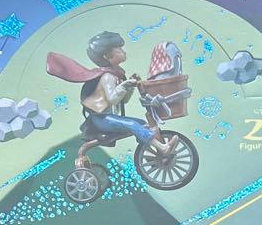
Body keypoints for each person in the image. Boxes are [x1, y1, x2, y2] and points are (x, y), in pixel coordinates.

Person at [46, 33, 174, 166]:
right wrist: (124, 85)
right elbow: (113, 99)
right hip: (102, 119)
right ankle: (162, 148)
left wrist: (129, 86)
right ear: (107, 56)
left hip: (109, 117)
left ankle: (151, 154)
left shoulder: (117, 74)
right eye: (118, 49)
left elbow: (124, 100)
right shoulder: (108, 76)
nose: (123, 51)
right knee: (132, 125)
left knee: (142, 123)